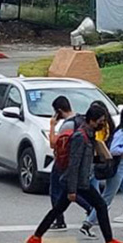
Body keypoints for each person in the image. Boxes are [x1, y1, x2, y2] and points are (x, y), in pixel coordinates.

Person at [27, 104, 123, 243]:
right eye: (101, 121)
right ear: (92, 120)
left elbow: (83, 161)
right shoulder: (80, 137)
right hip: (78, 182)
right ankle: (109, 242)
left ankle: (36, 238)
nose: (102, 124)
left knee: (57, 210)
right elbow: (74, 165)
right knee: (100, 205)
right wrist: (72, 190)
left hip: (78, 181)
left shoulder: (88, 135)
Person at [82, 107, 123, 238]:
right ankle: (87, 224)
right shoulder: (122, 131)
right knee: (106, 198)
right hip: (118, 166)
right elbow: (113, 150)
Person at [47, 96, 89, 231]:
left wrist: (52, 126)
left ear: (59, 111)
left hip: (62, 161)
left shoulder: (67, 125)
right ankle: (89, 208)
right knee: (70, 189)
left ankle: (60, 220)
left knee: (56, 191)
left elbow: (54, 144)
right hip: (76, 160)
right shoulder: (79, 120)